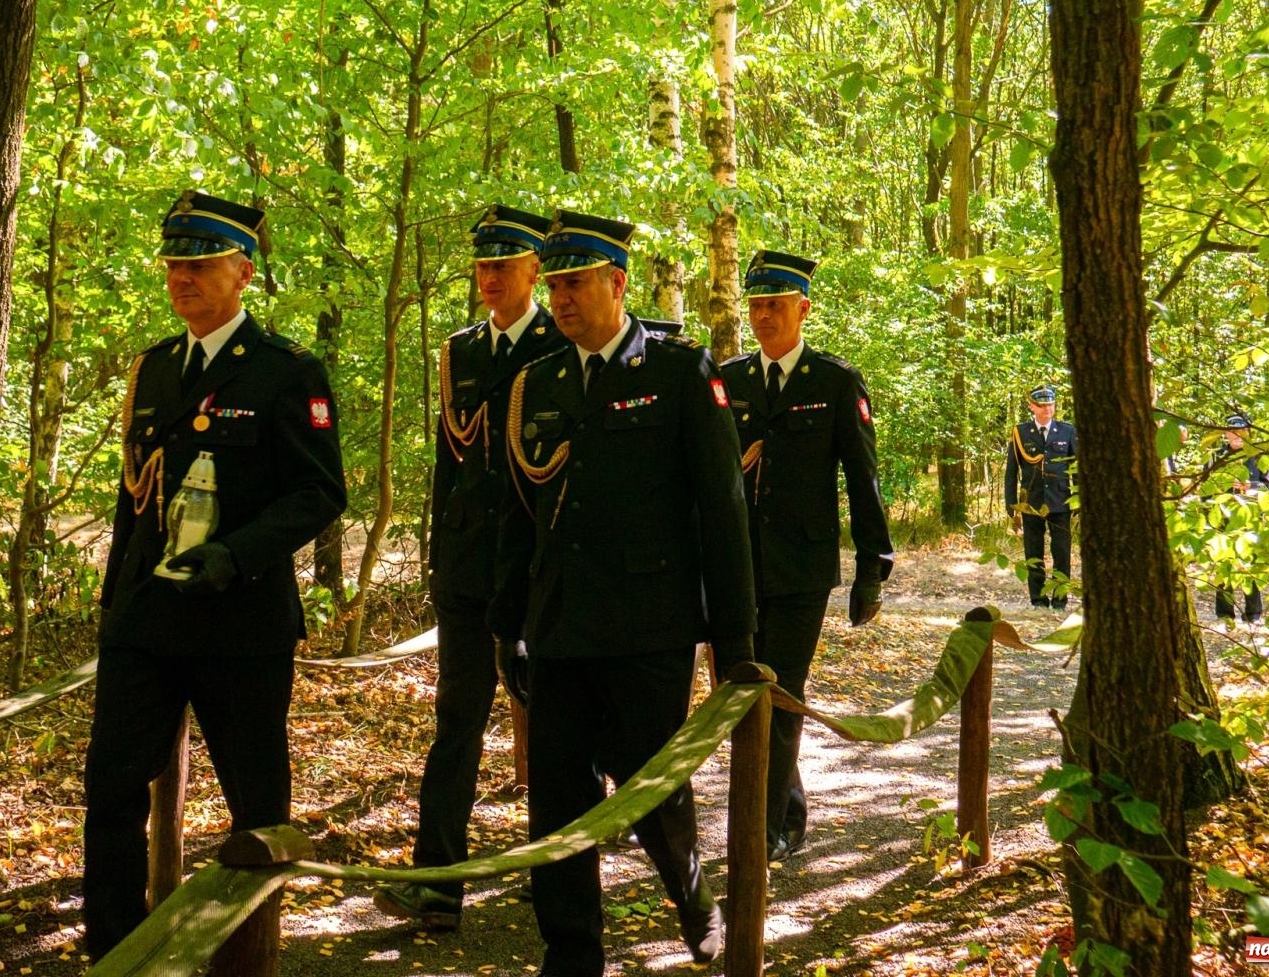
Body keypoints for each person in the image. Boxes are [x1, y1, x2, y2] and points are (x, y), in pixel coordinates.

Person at [488, 210, 756, 977]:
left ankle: (693, 899)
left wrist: (734, 640)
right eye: (555, 285)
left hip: (649, 627)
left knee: (651, 785)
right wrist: (508, 625)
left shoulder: (677, 372)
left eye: (576, 283)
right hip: (560, 625)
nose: (562, 299)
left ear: (617, 282)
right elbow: (518, 515)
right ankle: (571, 952)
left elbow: (722, 510)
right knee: (557, 798)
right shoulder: (536, 382)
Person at [83, 191, 348, 958]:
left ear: (244, 272)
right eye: (174, 264)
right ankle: (115, 954)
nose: (181, 278)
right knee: (111, 790)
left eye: (199, 265)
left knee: (256, 807)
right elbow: (135, 501)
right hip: (148, 620)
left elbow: (320, 493)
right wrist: (115, 602)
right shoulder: (156, 369)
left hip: (242, 623)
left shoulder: (286, 372)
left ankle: (248, 955)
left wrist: (234, 555)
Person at [373, 205, 562, 930]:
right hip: (467, 570)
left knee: (553, 726)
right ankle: (438, 881)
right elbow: (447, 466)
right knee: (457, 723)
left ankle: (554, 872)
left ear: (533, 270)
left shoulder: (559, 344)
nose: (489, 278)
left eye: (502, 265)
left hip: (539, 572)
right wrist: (438, 559)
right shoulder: (461, 351)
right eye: (482, 266)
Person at [719, 249, 894, 863]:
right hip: (738, 566)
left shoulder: (833, 381)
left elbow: (863, 478)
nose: (763, 316)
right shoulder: (729, 381)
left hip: (802, 567)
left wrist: (872, 568)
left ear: (803, 309)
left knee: (781, 691)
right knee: (739, 691)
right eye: (756, 305)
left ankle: (760, 831)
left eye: (775, 304)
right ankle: (787, 810)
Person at [1004, 385, 1076, 610]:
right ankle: (1038, 600)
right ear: (1032, 407)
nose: (1048, 409)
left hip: (1060, 501)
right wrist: (1010, 503)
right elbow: (1012, 470)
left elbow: (1075, 467)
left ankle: (1060, 600)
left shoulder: (1067, 431)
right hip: (1031, 502)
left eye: (1051, 405)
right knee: (1033, 552)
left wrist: (1078, 499)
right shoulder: (1021, 433)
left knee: (1062, 553)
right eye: (1043, 406)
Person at [1211, 413, 1269, 623]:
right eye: (1233, 431)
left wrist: (1251, 487)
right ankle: (1224, 614)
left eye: (1242, 431)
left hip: (1251, 519)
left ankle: (1253, 614)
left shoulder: (1259, 456)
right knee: (1224, 566)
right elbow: (1205, 488)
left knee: (1252, 566)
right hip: (1223, 518)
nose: (1237, 436)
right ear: (1225, 434)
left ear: (1249, 432)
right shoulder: (1216, 456)